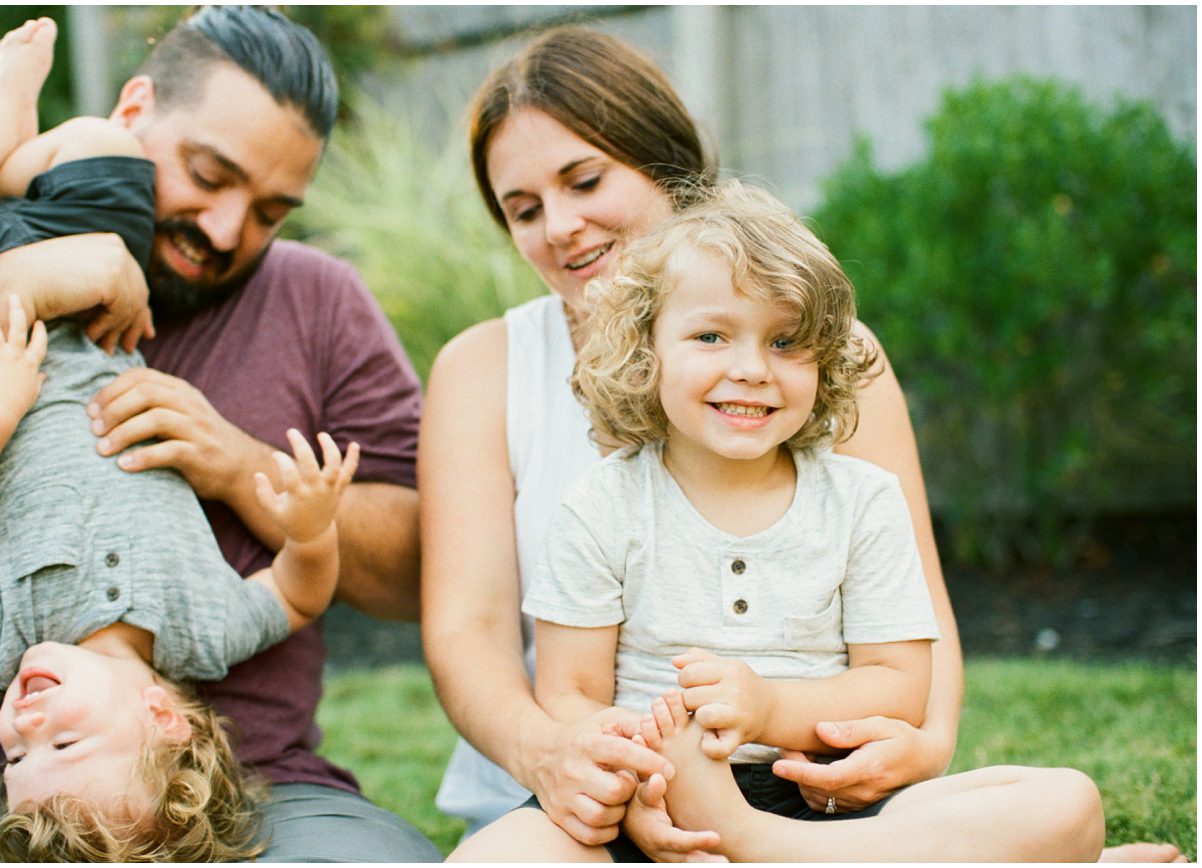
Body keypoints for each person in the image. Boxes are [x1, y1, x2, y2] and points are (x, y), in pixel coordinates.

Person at [420, 24, 1182, 863]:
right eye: (523, 210)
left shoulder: (828, 357)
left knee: (1058, 805)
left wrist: (924, 741)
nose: (560, 226)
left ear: (666, 163)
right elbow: (476, 634)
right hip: (607, 794)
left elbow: (911, 613)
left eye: (586, 180)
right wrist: (583, 765)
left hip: (814, 786)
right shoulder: (509, 394)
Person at [0, 7, 439, 862]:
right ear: (130, 114)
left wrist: (242, 468)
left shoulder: (320, 300)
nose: (228, 231)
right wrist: (25, 280)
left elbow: (415, 566)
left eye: (272, 209)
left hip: (254, 796)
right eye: (206, 173)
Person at [449, 180, 1104, 861]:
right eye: (711, 335)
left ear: (825, 358)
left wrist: (767, 709)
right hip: (655, 802)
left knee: (1066, 806)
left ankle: (761, 844)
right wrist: (648, 791)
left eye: (787, 342)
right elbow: (571, 693)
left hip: (820, 799)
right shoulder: (602, 504)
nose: (751, 369)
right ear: (649, 350)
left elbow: (900, 687)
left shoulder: (862, 501)